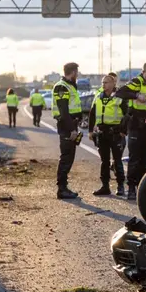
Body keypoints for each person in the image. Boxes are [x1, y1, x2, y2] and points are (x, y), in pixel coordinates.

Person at [115, 62, 146, 200]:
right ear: (143, 72)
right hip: (135, 125)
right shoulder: (137, 82)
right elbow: (120, 92)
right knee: (134, 158)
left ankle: (141, 186)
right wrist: (136, 95)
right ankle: (131, 188)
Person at [88, 75, 128, 196]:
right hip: (102, 133)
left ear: (112, 84)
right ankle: (105, 186)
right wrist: (90, 131)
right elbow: (92, 114)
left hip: (115, 133)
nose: (103, 85)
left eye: (106, 82)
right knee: (104, 161)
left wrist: (123, 131)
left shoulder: (119, 97)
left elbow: (127, 115)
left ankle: (120, 186)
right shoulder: (98, 97)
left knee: (117, 161)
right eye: (102, 82)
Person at [52, 62, 82, 199]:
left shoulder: (70, 86)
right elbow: (64, 111)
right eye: (77, 72)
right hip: (66, 126)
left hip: (71, 125)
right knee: (66, 158)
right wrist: (72, 130)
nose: (78, 74)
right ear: (73, 72)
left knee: (69, 157)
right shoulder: (61, 87)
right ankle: (62, 189)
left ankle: (64, 187)